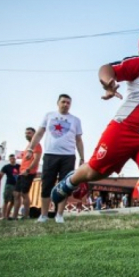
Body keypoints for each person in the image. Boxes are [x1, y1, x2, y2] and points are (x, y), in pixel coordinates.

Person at [49, 28, 139, 246]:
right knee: (96, 171)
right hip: (124, 130)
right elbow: (107, 68)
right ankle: (70, 181)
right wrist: (108, 81)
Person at [25, 94, 84, 224]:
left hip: (68, 156)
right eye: (63, 102)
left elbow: (78, 140)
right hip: (50, 154)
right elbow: (39, 133)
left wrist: (82, 157)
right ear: (58, 103)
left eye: (68, 103)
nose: (66, 104)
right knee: (47, 184)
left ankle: (59, 215)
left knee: (65, 185)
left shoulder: (75, 120)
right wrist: (30, 149)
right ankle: (44, 215)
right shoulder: (49, 116)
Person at [12, 127, 42, 220]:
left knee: (24, 194)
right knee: (16, 194)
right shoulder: (28, 146)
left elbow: (36, 159)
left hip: (29, 172)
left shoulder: (36, 145)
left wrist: (28, 170)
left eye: (29, 133)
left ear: (34, 134)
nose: (27, 135)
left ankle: (26, 216)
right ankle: (14, 216)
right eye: (26, 133)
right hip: (21, 172)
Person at [0, 154, 20, 220]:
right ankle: (4, 216)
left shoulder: (19, 166)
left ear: (15, 159)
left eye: (13, 158)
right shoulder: (6, 167)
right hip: (9, 185)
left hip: (17, 185)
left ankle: (7, 215)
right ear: (9, 160)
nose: (12, 160)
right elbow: (1, 174)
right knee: (6, 200)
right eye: (11, 159)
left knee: (13, 201)